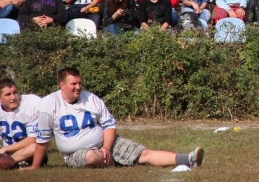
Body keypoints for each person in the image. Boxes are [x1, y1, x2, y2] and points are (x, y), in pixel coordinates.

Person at [26, 67, 204, 170]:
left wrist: (106, 147)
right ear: (62, 85)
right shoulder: (48, 104)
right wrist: (35, 166)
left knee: (144, 153)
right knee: (91, 157)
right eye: (74, 84)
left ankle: (188, 159)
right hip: (76, 154)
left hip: (105, 143)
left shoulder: (91, 98)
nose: (78, 87)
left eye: (80, 83)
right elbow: (43, 139)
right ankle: (118, 161)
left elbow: (109, 125)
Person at [0, 79, 41, 164]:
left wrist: (5, 149)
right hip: (6, 153)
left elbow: (34, 138)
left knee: (36, 147)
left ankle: (8, 162)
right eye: (8, 94)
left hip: (28, 151)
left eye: (15, 92)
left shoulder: (31, 103)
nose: (13, 97)